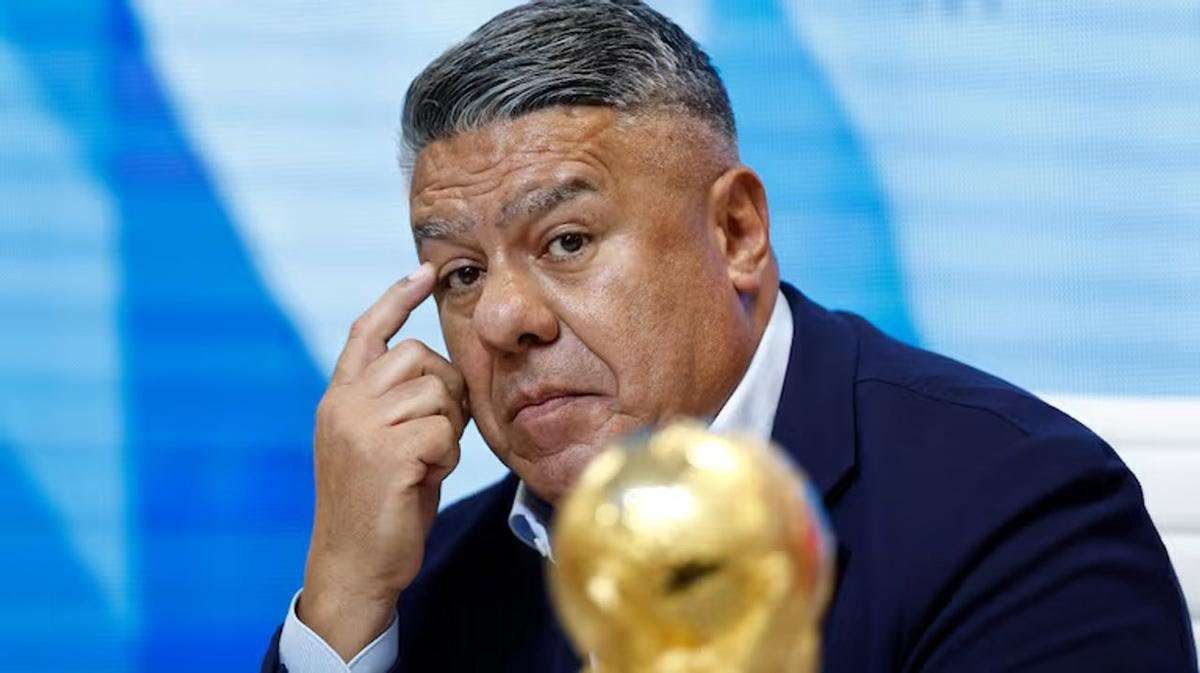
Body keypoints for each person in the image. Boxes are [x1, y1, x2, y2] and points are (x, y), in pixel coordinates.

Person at [260, 1, 1196, 671]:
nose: (504, 320)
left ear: (737, 232)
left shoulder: (1015, 510)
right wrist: (344, 596)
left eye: (568, 241)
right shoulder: (425, 585)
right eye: (461, 274)